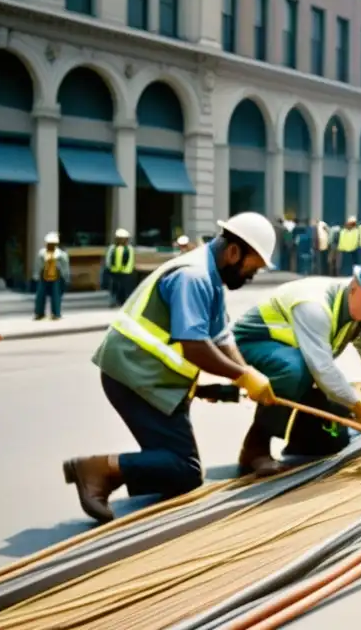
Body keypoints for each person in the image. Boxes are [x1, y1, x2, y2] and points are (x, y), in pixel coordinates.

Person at [62, 212, 279, 523]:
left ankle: (109, 471)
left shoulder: (211, 278)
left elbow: (220, 338)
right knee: (184, 470)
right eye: (251, 268)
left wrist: (247, 375)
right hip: (132, 376)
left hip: (153, 380)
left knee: (179, 469)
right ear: (234, 252)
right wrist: (243, 375)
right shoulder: (193, 277)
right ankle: (97, 469)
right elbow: (194, 347)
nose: (250, 276)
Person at [231, 262, 361, 474]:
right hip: (250, 344)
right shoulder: (314, 305)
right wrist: (360, 408)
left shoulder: (358, 317)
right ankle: (255, 448)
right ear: (355, 288)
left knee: (333, 423)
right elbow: (322, 369)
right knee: (296, 371)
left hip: (291, 355)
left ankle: (296, 439)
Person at [33, 232, 69, 320]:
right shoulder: (42, 253)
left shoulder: (61, 255)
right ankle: (39, 313)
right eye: (49, 243)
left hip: (56, 278)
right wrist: (36, 275)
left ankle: (56, 313)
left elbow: (65, 268)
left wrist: (66, 278)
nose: (50, 245)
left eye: (52, 244)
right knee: (40, 296)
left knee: (56, 296)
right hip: (44, 277)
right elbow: (38, 265)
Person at [104, 229, 136, 307]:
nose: (122, 240)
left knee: (124, 289)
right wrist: (109, 268)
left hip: (126, 272)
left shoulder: (129, 248)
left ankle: (123, 302)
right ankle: (113, 302)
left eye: (124, 238)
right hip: (114, 271)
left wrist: (129, 270)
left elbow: (130, 260)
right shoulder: (113, 248)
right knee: (114, 288)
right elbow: (108, 259)